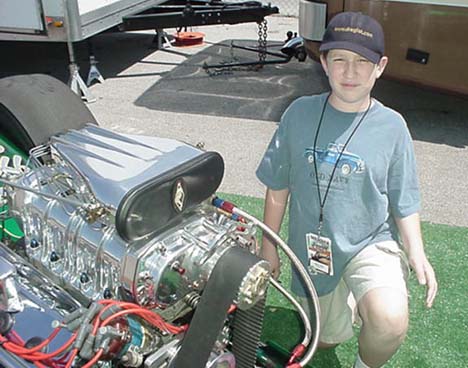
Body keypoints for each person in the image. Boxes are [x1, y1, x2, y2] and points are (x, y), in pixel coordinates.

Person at [256, 11, 438, 368]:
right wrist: (269, 247)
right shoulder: (299, 114)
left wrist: (416, 251)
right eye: (339, 59)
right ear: (324, 62)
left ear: (380, 66)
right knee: (324, 340)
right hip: (314, 247)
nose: (350, 72)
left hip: (371, 242)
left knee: (388, 322)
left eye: (362, 61)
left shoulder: (393, 127)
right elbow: (278, 187)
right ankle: (345, 302)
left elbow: (404, 199)